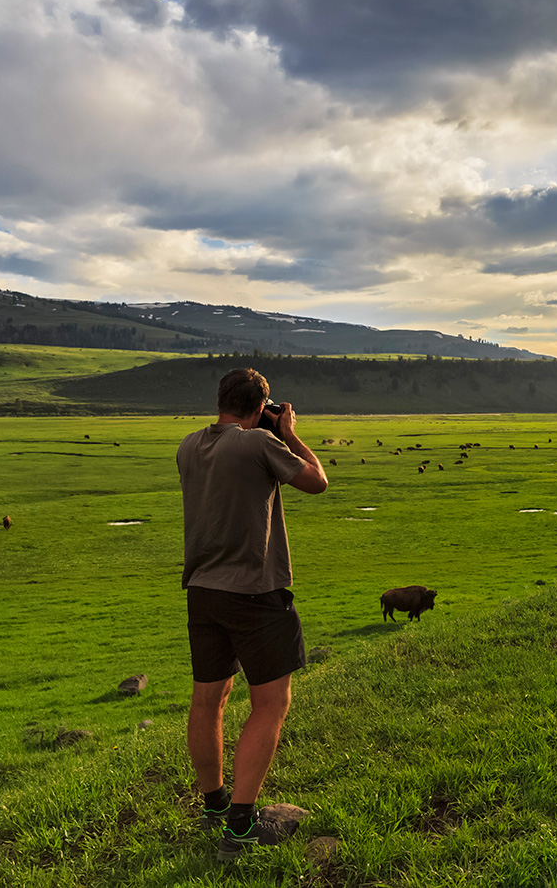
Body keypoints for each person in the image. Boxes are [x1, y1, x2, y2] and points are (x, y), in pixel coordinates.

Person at [177, 367, 328, 861]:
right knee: (270, 703)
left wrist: (261, 425)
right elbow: (317, 482)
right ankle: (240, 826)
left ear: (220, 399)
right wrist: (289, 434)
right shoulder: (256, 445)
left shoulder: (189, 447)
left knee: (208, 700)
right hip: (255, 592)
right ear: (260, 405)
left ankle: (215, 805)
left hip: (202, 589)